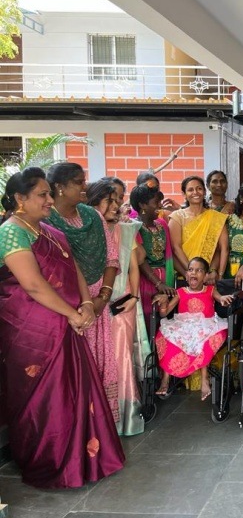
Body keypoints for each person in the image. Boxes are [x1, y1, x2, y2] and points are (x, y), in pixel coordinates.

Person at [0, 168, 125, 488]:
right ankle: (51, 463)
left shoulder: (48, 230)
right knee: (46, 398)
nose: (49, 199)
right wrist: (73, 313)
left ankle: (83, 461)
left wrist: (87, 304)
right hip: (32, 333)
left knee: (73, 392)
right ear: (20, 199)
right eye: (42, 194)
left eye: (48, 193)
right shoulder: (11, 232)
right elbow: (33, 284)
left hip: (66, 323)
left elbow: (74, 269)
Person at [46, 163, 121, 423]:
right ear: (59, 187)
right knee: (74, 366)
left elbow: (112, 259)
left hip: (98, 301)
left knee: (101, 361)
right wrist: (87, 303)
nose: (85, 186)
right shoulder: (46, 221)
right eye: (79, 182)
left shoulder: (93, 216)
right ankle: (77, 425)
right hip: (68, 306)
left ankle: (100, 425)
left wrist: (102, 298)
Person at [89, 179, 147, 436]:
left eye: (118, 200)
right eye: (110, 201)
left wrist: (134, 297)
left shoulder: (125, 230)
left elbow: (134, 266)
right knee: (97, 360)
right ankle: (98, 418)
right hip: (93, 305)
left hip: (122, 303)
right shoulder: (86, 230)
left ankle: (124, 419)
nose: (116, 205)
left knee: (121, 358)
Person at [154, 256, 234, 400]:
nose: (194, 273)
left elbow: (219, 298)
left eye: (199, 271)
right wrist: (164, 302)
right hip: (183, 326)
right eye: (191, 270)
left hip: (205, 324)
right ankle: (165, 379)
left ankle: (204, 379)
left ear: (206, 276)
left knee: (203, 339)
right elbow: (164, 313)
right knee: (166, 337)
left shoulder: (210, 290)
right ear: (186, 275)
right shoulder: (181, 292)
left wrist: (223, 299)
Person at [168, 175, 229, 287]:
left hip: (209, 278)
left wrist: (217, 273)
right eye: (190, 190)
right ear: (184, 194)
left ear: (205, 191)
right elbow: (175, 248)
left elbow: (221, 249)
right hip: (184, 276)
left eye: (199, 188)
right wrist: (193, 273)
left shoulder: (216, 217)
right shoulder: (177, 217)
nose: (195, 192)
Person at [132, 185, 176, 324]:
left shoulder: (162, 224)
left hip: (166, 278)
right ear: (142, 205)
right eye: (156, 202)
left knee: (164, 319)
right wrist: (158, 283)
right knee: (147, 318)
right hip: (144, 280)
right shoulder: (134, 227)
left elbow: (169, 254)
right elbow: (140, 260)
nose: (160, 206)